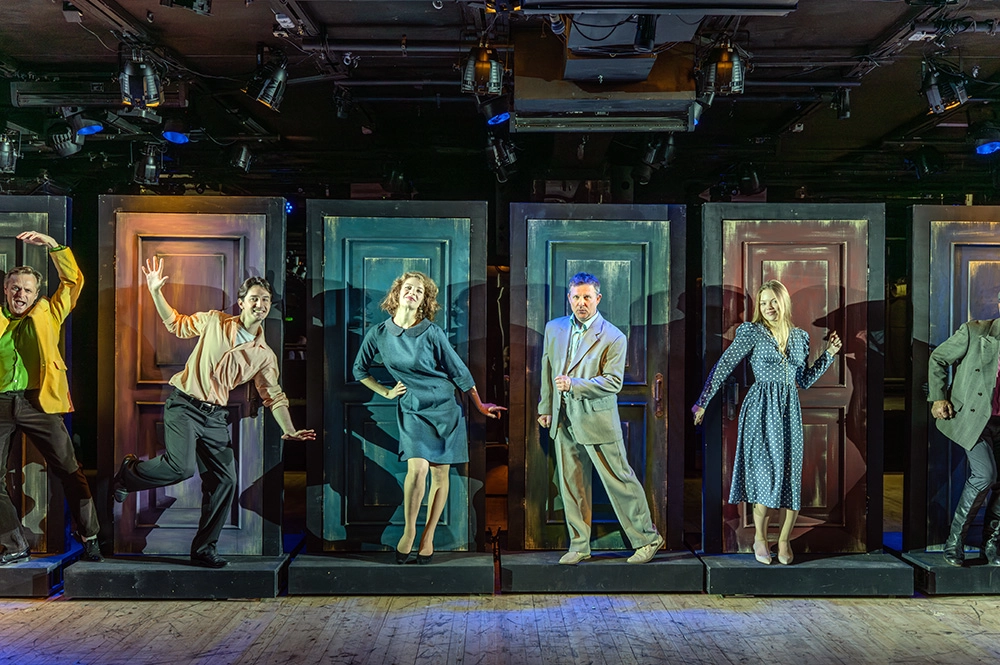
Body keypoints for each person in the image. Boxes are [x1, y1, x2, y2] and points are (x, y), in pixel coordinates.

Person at [113, 257, 315, 568]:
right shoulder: (214, 322)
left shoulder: (264, 355)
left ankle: (204, 548)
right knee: (181, 468)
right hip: (184, 405)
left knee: (225, 481)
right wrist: (155, 291)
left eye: (265, 300)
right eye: (254, 299)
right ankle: (128, 474)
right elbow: (176, 324)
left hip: (215, 417)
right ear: (241, 303)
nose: (260, 304)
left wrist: (288, 429)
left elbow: (274, 396)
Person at [353, 271, 504, 565]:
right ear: (397, 293)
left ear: (424, 301)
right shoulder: (379, 334)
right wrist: (386, 392)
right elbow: (360, 370)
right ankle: (409, 532)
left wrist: (479, 405)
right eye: (408, 288)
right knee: (417, 469)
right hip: (412, 408)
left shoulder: (431, 331)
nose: (412, 292)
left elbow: (459, 371)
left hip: (445, 406)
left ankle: (428, 537)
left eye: (419, 291)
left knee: (440, 474)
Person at [693, 279, 841, 565]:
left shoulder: (800, 337)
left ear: (783, 302)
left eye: (773, 301)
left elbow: (804, 380)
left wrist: (830, 355)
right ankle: (760, 539)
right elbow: (724, 365)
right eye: (763, 303)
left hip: (789, 413)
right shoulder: (752, 332)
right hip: (760, 410)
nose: (768, 307)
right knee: (765, 475)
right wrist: (703, 401)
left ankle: (784, 540)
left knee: (790, 476)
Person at [537, 272, 663, 565]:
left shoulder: (613, 336)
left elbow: (613, 382)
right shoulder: (554, 328)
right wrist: (545, 407)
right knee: (572, 484)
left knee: (620, 481)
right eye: (576, 297)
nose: (581, 303)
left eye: (587, 297)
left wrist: (574, 385)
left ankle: (648, 539)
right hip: (563, 418)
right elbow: (547, 369)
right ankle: (579, 544)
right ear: (569, 298)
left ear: (598, 299)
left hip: (597, 420)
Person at [0, 231, 102, 565]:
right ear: (6, 289)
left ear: (36, 293)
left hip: (38, 402)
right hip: (1, 402)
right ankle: (14, 545)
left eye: (28, 290)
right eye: (15, 288)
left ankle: (89, 536)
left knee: (70, 468)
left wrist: (54, 246)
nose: (21, 294)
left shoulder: (49, 311)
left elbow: (73, 282)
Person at [927, 292, 1000, 567]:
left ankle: (991, 545)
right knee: (985, 474)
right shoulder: (976, 331)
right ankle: (954, 541)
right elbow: (938, 358)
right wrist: (938, 397)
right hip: (975, 419)